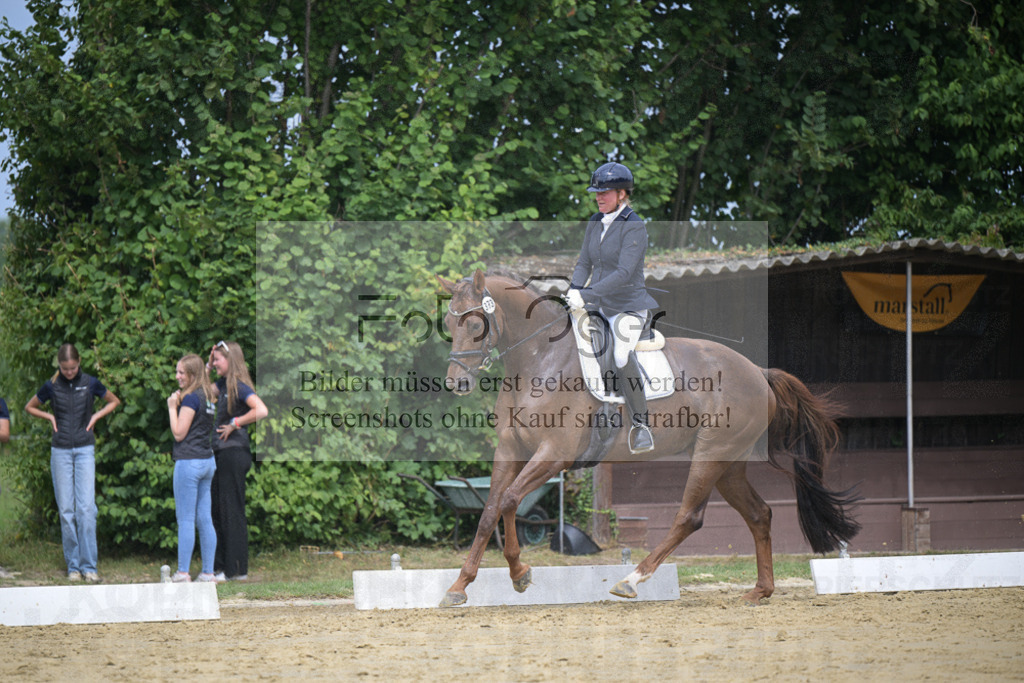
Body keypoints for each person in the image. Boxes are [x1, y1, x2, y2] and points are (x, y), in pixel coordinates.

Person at [566, 162, 659, 454]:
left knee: (620, 354)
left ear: (621, 194)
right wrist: (574, 289)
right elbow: (584, 263)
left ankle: (641, 426)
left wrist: (587, 293)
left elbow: (623, 274)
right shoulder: (595, 221)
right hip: (599, 304)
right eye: (596, 192)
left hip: (629, 307)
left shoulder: (635, 226)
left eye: (604, 193)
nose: (598, 197)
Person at [24, 344, 120, 582]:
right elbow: (30, 406)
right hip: (61, 450)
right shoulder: (51, 386)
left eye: (73, 367)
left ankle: (90, 566)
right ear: (59, 365)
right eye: (65, 368)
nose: (69, 372)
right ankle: (73, 566)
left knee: (86, 509)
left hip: (85, 448)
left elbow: (113, 401)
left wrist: (96, 416)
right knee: (67, 511)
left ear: (79, 363)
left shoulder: (90, 382)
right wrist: (49, 416)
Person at [207, 340, 267, 582]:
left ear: (230, 361)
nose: (215, 364)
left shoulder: (239, 387)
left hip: (234, 453)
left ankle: (236, 570)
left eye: (218, 360)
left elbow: (261, 410)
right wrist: (207, 366)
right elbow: (201, 391)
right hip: (221, 453)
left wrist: (236, 423)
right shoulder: (221, 385)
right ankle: (222, 568)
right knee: (218, 510)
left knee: (231, 510)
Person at [168, 353, 218, 583]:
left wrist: (171, 407)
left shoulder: (189, 400)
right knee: (204, 519)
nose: (177, 376)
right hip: (207, 461)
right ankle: (208, 572)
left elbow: (179, 433)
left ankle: (183, 573)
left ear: (191, 375)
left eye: (181, 373)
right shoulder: (207, 396)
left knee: (186, 519)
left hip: (189, 462)